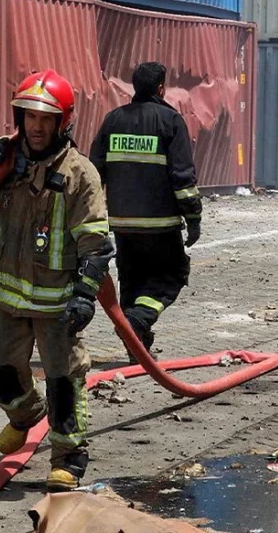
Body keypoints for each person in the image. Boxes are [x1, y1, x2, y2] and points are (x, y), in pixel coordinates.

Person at [0, 69, 114, 491]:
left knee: (63, 380)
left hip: (56, 303)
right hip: (7, 296)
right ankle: (27, 414)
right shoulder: (8, 159)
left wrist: (84, 295)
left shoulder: (80, 174)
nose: (36, 126)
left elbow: (96, 244)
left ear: (62, 122)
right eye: (29, 115)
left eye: (46, 118)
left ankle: (69, 458)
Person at [88, 62, 202, 362]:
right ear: (161, 88)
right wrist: (193, 218)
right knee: (173, 275)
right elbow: (182, 178)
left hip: (123, 224)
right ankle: (137, 322)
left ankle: (136, 345)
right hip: (161, 224)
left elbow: (93, 172)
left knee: (132, 281)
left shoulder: (113, 120)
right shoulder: (171, 121)